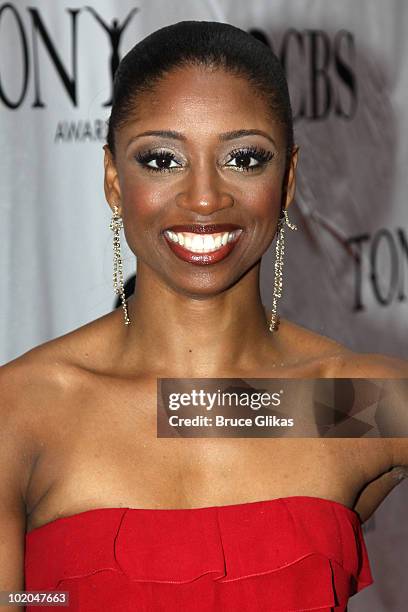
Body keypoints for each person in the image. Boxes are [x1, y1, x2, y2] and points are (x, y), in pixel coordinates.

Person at [0, 20, 407, 612]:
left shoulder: (348, 401)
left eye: (244, 157)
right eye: (162, 160)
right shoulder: (25, 413)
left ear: (288, 178)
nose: (204, 199)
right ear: (114, 180)